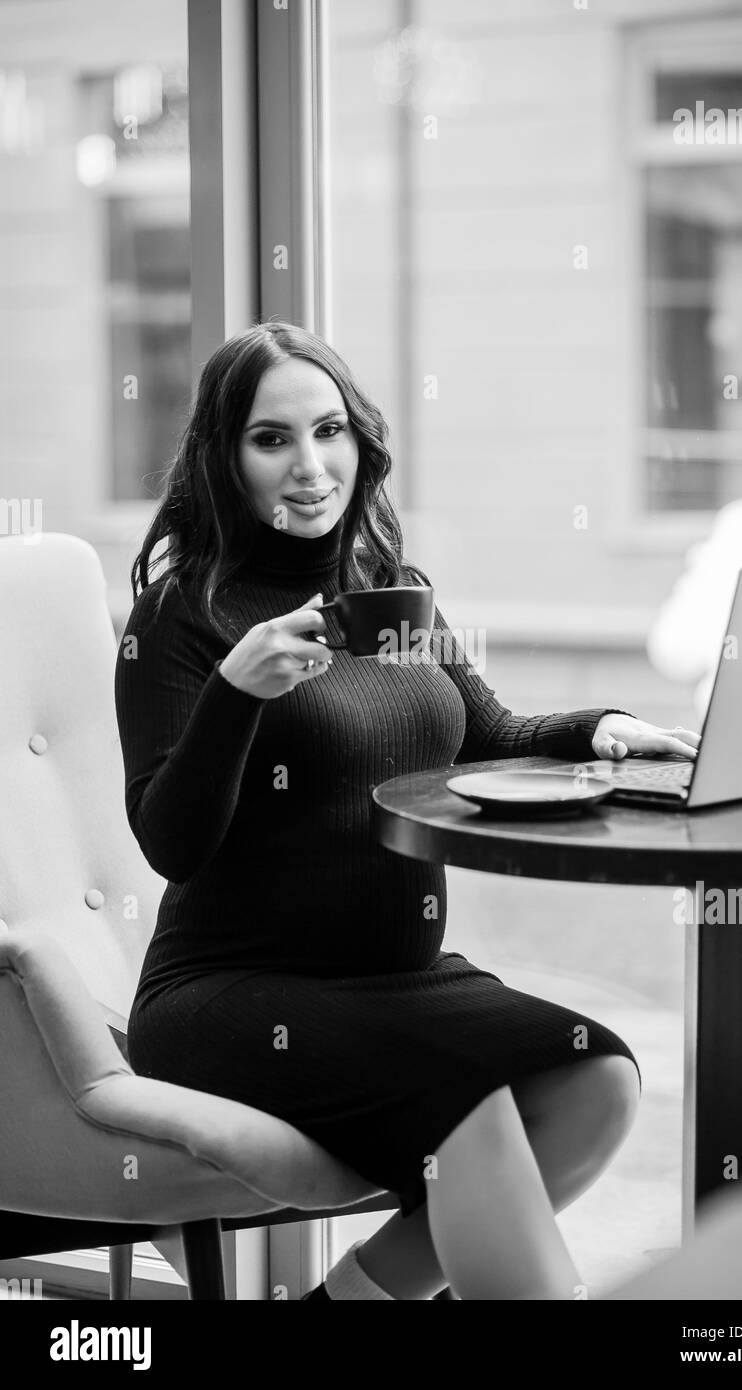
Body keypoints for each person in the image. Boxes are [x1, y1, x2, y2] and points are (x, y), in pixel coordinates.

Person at [116, 321, 700, 1300]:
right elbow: (170, 840)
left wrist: (600, 727)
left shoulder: (389, 591)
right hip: (230, 993)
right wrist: (238, 691)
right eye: (271, 439)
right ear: (225, 458)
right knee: (473, 1100)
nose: (310, 464)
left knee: (593, 1077)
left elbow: (485, 733)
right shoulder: (184, 613)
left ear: (361, 440)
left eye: (329, 430)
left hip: (396, 981)